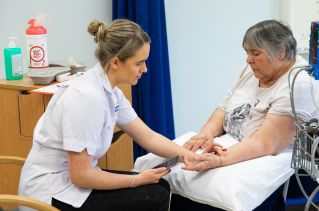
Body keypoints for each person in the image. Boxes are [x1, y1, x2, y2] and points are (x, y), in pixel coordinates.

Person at [18, 19, 196, 211]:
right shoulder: (87, 99)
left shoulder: (111, 93)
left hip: (72, 182)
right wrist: (137, 179)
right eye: (139, 63)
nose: (145, 69)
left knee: (159, 186)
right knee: (155, 195)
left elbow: (147, 136)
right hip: (50, 193)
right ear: (116, 62)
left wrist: (186, 155)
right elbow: (81, 175)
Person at [182, 20, 319, 171]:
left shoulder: (299, 83)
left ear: (281, 53)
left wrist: (221, 159)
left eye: (255, 53)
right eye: (247, 52)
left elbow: (266, 143)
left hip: (284, 165)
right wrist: (205, 135)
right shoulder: (251, 70)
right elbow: (224, 108)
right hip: (234, 145)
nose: (248, 59)